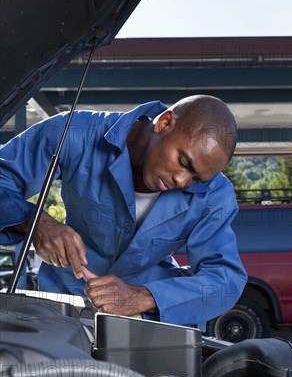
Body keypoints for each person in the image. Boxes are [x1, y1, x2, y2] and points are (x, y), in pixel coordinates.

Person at [0, 95, 247, 327]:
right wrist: (35, 222)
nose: (182, 181)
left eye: (196, 179)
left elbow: (226, 279)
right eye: (183, 162)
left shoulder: (214, 194)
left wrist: (143, 297)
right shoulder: (74, 133)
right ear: (164, 123)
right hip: (62, 309)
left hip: (145, 324)